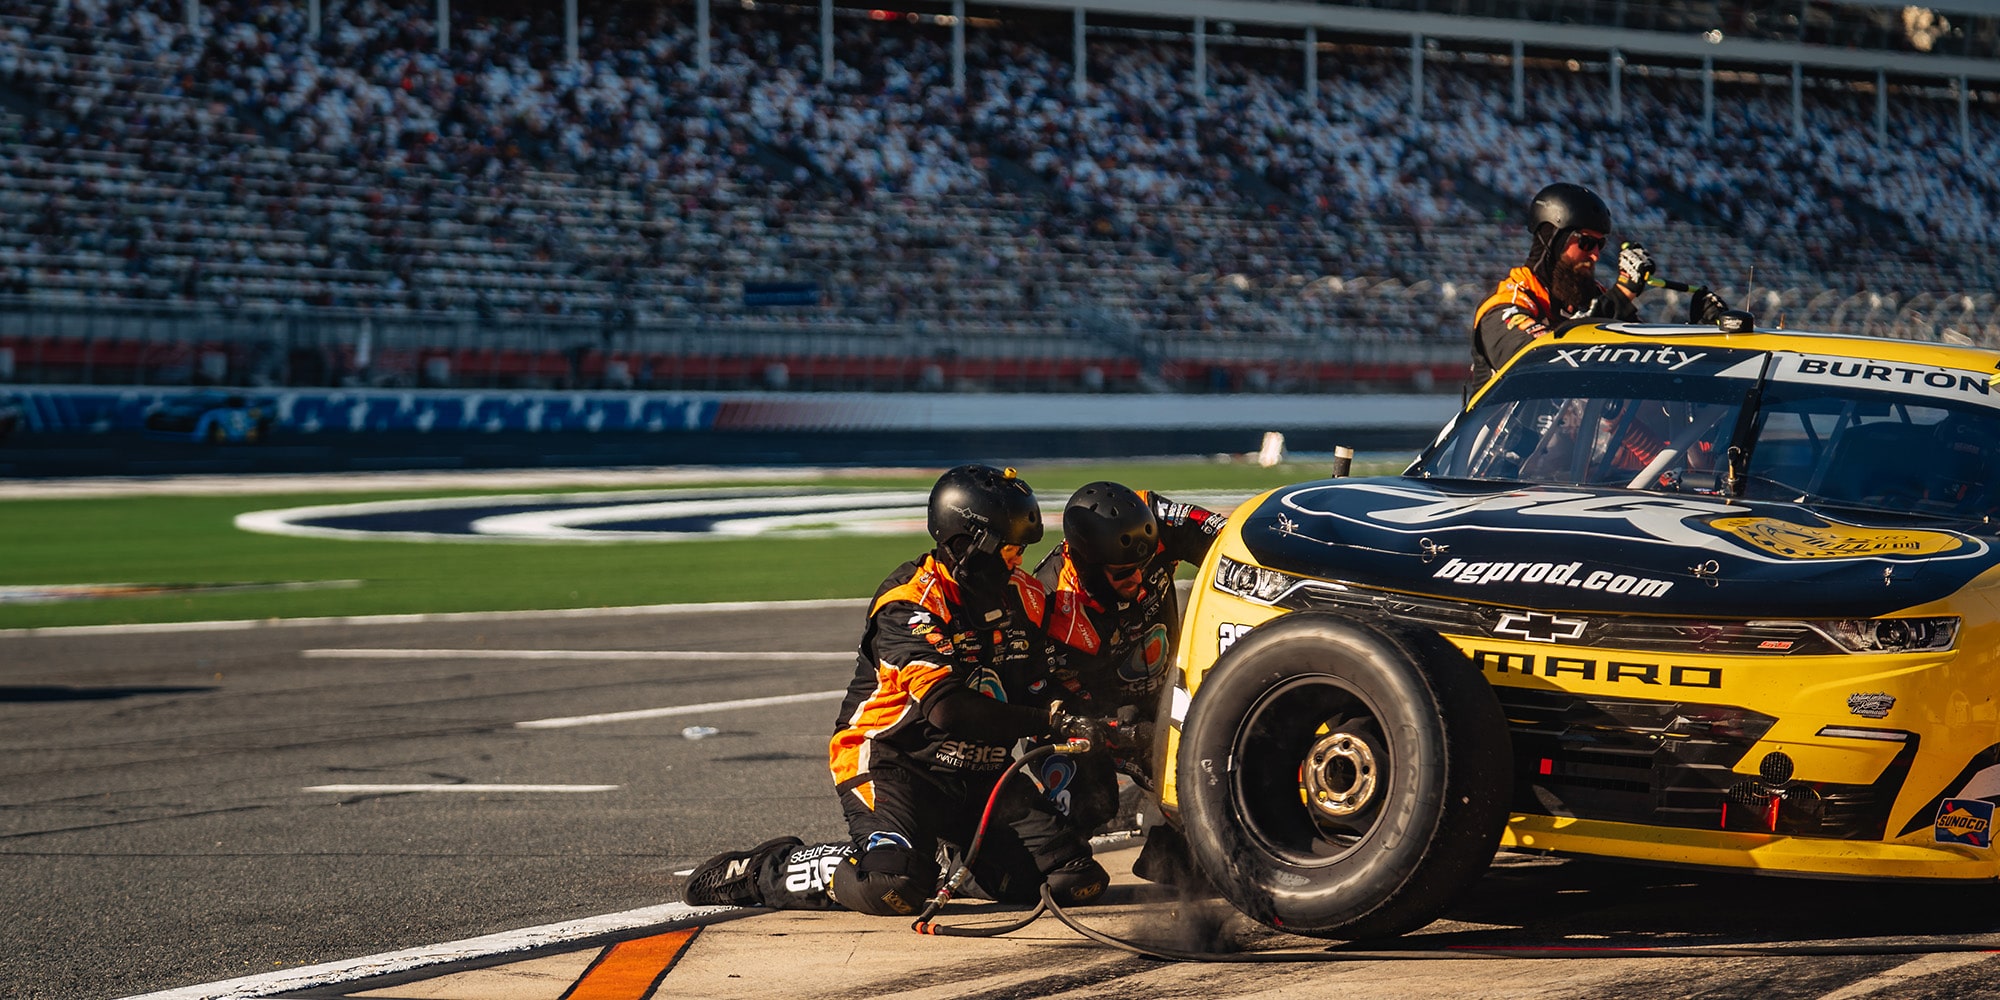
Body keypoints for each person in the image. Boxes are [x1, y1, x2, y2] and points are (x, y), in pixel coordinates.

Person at [682, 465, 1112, 915]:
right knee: (895, 886)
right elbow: (947, 709)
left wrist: (1090, 718)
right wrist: (1050, 721)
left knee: (1074, 880)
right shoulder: (910, 603)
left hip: (981, 774)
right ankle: (764, 869)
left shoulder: (1025, 595)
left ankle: (958, 864)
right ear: (969, 545)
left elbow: (1043, 681)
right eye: (1009, 550)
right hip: (895, 764)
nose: (1018, 561)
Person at [1028, 482, 1226, 837]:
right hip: (1087, 720)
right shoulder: (1049, 603)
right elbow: (1037, 701)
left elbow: (1228, 540)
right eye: (1122, 573)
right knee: (1091, 807)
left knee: (1214, 802)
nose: (1138, 578)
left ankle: (1159, 820)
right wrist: (1121, 733)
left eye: (1144, 563)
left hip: (1163, 701)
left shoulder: (1148, 518)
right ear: (1088, 567)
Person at [1469, 182, 1732, 383]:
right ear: (1553, 240)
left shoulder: (1594, 299)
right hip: (1500, 450)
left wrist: (1700, 337)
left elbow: (1653, 364)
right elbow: (1542, 361)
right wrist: (1621, 295)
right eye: (1586, 242)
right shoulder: (1506, 303)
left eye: (1600, 244)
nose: (1595, 254)